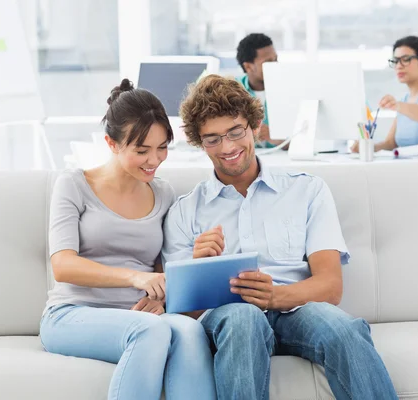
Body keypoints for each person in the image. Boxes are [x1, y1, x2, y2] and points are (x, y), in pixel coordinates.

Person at [163, 74, 399, 400]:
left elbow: (329, 286)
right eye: (213, 139)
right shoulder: (185, 210)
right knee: (243, 318)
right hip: (232, 320)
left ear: (255, 126)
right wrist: (196, 267)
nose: (228, 147)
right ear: (199, 142)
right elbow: (178, 312)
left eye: (235, 132)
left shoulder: (306, 190)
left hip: (295, 308)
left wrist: (273, 297)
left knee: (343, 329)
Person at [40, 79, 217, 400]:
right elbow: (63, 266)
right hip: (72, 313)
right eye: (142, 150)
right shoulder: (74, 185)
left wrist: (163, 298)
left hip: (139, 315)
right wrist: (135, 277)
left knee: (190, 331)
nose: (154, 160)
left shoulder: (163, 193)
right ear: (111, 143)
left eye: (162, 147)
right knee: (150, 331)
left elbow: (162, 270)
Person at [352, 36, 418, 154]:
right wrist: (367, 148)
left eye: (406, 59)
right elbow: (391, 144)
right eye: (396, 61)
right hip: (413, 168)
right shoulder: (405, 101)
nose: (399, 66)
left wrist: (397, 106)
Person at [235, 32, 284, 149]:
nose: (275, 65)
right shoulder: (232, 90)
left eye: (275, 59)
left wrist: (279, 139)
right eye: (268, 62)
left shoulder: (288, 87)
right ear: (248, 67)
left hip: (282, 158)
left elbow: (306, 139)